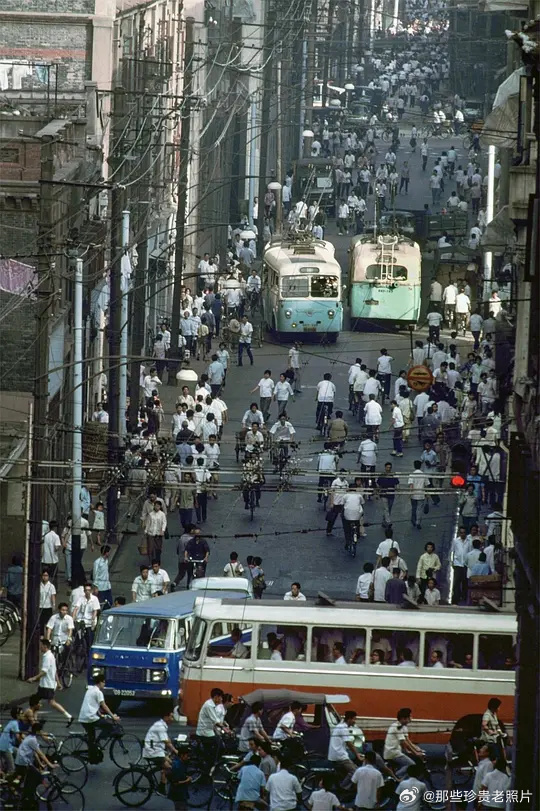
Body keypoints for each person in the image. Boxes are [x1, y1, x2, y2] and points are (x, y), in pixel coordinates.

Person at [27, 638, 73, 725]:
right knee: (42, 701)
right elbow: (54, 671)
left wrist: (33, 678)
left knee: (36, 701)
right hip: (48, 684)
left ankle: (34, 721)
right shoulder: (51, 656)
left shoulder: (47, 657)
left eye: (41, 646)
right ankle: (68, 716)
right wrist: (58, 682)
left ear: (45, 646)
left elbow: (44, 672)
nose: (40, 648)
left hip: (46, 685)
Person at [78, 672, 119, 763]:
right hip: (90, 718)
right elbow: (104, 705)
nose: (104, 684)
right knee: (109, 726)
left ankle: (93, 756)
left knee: (91, 739)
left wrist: (100, 714)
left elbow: (92, 705)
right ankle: (97, 744)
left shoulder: (90, 690)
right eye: (104, 682)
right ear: (100, 682)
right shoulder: (98, 692)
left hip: (84, 718)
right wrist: (113, 716)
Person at [383, 708, 424, 778]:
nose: (411, 718)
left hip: (397, 751)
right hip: (393, 752)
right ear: (403, 718)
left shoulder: (403, 727)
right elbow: (404, 742)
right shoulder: (397, 727)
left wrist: (417, 749)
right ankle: (395, 777)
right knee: (411, 765)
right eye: (409, 717)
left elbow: (408, 741)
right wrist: (416, 753)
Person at [327, 710, 361, 784]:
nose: (355, 721)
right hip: (340, 756)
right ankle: (344, 787)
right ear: (349, 719)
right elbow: (349, 743)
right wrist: (357, 754)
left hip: (335, 754)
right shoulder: (343, 728)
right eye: (354, 719)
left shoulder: (340, 726)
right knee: (355, 771)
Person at [196, 687, 225, 768]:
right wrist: (226, 730)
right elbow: (216, 721)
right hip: (205, 732)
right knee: (220, 746)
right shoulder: (209, 705)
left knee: (211, 749)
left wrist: (224, 725)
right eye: (220, 697)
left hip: (208, 731)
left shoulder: (213, 705)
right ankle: (211, 764)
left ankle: (209, 764)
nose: (221, 699)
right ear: (216, 697)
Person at [167, 742, 192, 810]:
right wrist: (187, 780)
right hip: (178, 795)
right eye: (187, 756)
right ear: (182, 755)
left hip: (181, 793)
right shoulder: (177, 766)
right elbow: (175, 783)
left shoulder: (181, 763)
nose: (188, 757)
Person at [408, 460, 430, 529]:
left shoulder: (412, 474)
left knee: (414, 508)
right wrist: (427, 494)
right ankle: (418, 522)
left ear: (414, 466)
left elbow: (411, 485)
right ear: (420, 466)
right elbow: (426, 485)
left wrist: (410, 494)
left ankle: (413, 520)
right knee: (419, 509)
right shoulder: (424, 475)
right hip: (421, 495)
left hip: (414, 495)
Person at [377, 462, 399, 527]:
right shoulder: (382, 476)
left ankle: (384, 520)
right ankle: (388, 521)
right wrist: (378, 493)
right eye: (387, 467)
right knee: (386, 508)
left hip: (391, 494)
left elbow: (397, 484)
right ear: (385, 468)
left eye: (389, 467)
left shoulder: (393, 475)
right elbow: (379, 485)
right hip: (383, 494)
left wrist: (398, 491)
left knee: (389, 508)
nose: (388, 469)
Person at [39, 569, 56, 635]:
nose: (45, 577)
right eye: (43, 575)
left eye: (46, 575)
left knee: (48, 623)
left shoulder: (51, 586)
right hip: (40, 606)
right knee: (41, 622)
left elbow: (53, 596)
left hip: (48, 607)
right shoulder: (39, 585)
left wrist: (53, 605)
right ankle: (41, 635)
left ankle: (48, 636)